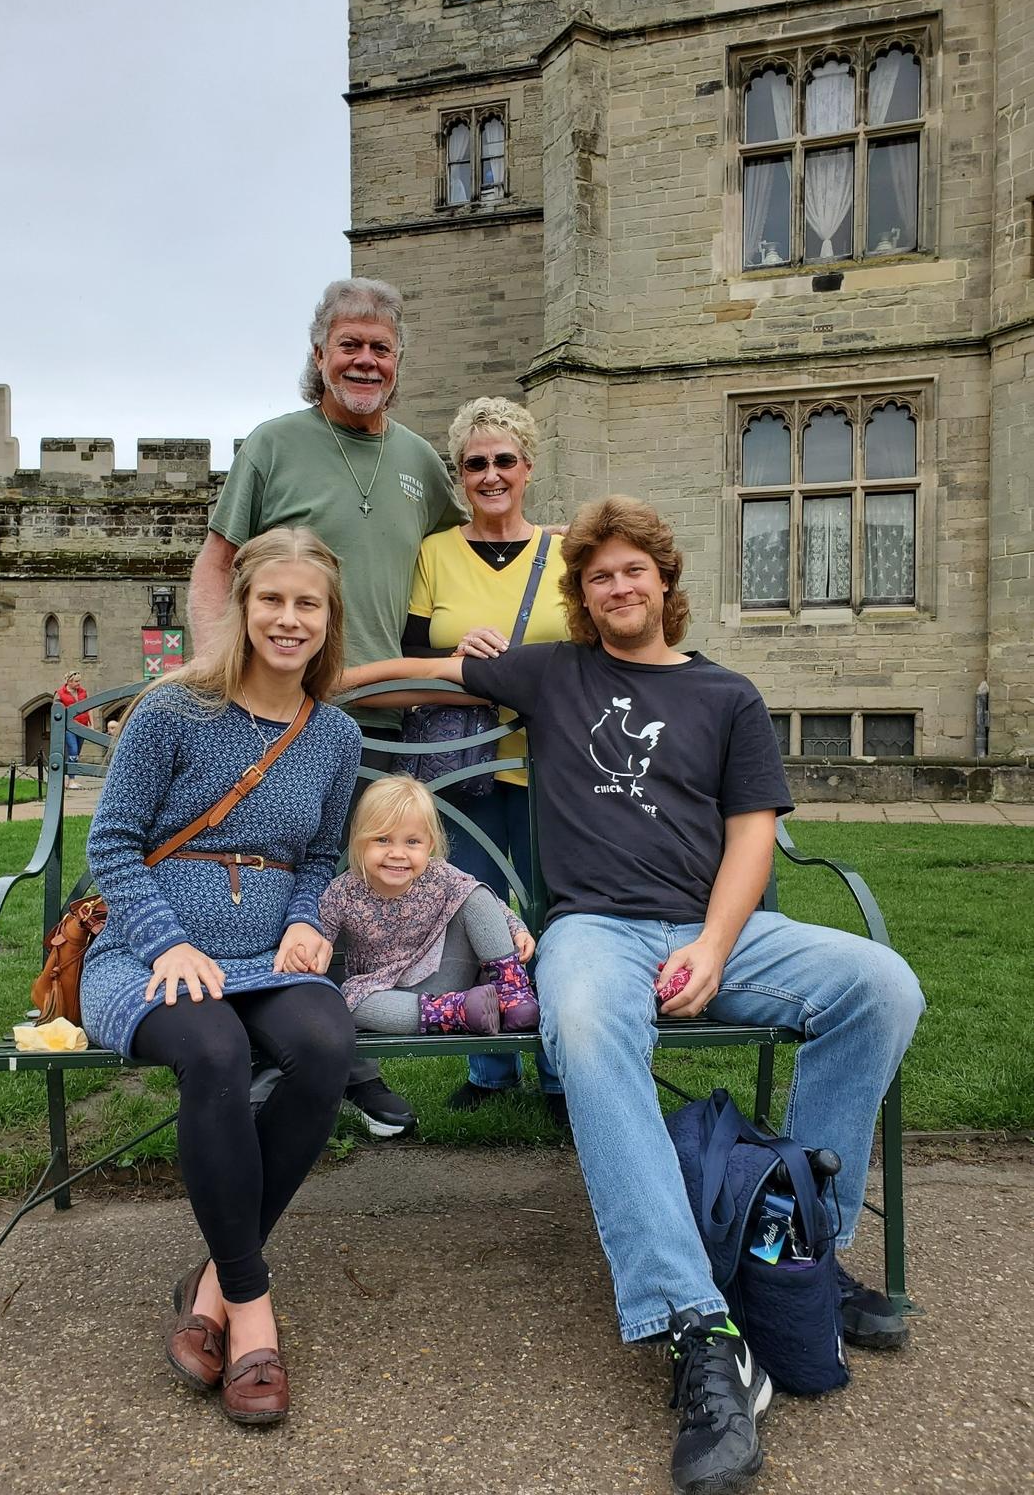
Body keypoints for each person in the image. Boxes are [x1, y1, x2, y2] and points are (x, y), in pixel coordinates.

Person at [340, 495, 924, 1495]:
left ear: (664, 580)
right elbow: (422, 674)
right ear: (583, 593)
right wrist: (310, 679)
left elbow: (752, 836)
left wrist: (714, 944)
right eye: (598, 575)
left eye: (632, 570)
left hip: (719, 928)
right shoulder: (555, 672)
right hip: (595, 932)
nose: (617, 586)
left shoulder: (727, 695)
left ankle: (797, 1251)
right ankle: (696, 1322)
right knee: (578, 1020)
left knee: (882, 984)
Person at [79, 527, 361, 1425]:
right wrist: (166, 942)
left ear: (329, 619)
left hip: (267, 957)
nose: (288, 618)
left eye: (307, 603)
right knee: (214, 1051)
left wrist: (309, 920)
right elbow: (111, 844)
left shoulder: (335, 734)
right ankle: (251, 1307)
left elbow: (321, 856)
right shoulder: (175, 710)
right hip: (145, 950)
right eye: (271, 598)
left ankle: (208, 1284)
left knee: (326, 1045)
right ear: (242, 606)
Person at [189, 276, 468, 1140]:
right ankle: (325, 1062)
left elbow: (463, 558)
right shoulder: (274, 444)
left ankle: (324, 1053)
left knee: (364, 888)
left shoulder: (422, 463)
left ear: (399, 362)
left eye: (381, 347)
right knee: (291, 879)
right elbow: (216, 566)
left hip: (395, 721)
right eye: (349, 344)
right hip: (290, 714)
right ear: (320, 355)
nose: (365, 360)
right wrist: (216, 674)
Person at [401, 396, 567, 1118]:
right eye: (475, 464)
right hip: (459, 762)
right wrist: (455, 654)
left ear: (528, 467)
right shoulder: (436, 553)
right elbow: (412, 649)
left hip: (552, 762)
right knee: (471, 908)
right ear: (460, 475)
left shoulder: (565, 552)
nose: (491, 474)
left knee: (554, 910)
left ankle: (559, 1066)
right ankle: (490, 1063)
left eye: (504, 460)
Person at [320, 774, 538, 1037]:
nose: (397, 853)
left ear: (429, 845)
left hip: (445, 973)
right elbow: (318, 935)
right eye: (382, 839)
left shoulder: (438, 874)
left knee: (474, 893)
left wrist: (516, 928)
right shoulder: (343, 891)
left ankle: (512, 992)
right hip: (386, 993)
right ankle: (459, 1013)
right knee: (349, 1001)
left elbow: (488, 904)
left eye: (412, 842)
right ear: (359, 841)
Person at [54, 671, 92, 789]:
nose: (79, 683)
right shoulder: (60, 693)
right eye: (76, 681)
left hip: (82, 726)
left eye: (79, 681)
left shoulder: (83, 692)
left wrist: (91, 723)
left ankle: (72, 779)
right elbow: (57, 710)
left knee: (77, 752)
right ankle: (71, 780)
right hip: (70, 727)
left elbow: (89, 708)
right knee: (73, 751)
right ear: (69, 682)